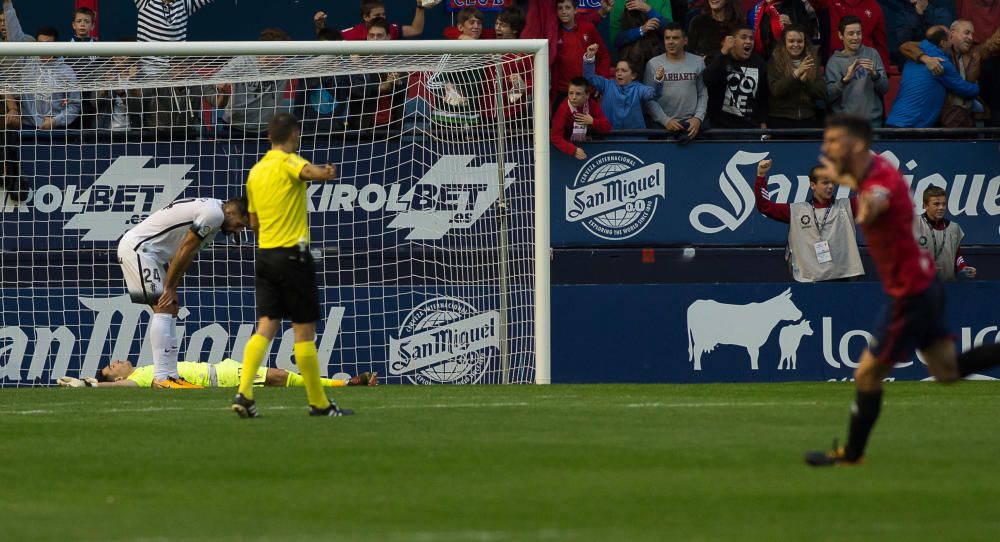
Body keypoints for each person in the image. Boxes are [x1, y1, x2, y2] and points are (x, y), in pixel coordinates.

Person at [804, 114, 1000, 466]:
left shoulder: (879, 180)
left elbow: (879, 197)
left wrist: (871, 206)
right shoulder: (872, 165)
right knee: (946, 371)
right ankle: (852, 453)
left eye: (834, 141)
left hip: (911, 293)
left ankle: (851, 454)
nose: (827, 148)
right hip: (923, 287)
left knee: (866, 373)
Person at [232, 112, 350, 419]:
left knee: (266, 325)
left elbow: (254, 223)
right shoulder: (289, 162)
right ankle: (318, 403)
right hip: (293, 257)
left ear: (268, 136)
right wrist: (325, 173)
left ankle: (244, 393)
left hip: (265, 256)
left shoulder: (255, 172)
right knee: (303, 332)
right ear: (294, 135)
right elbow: (306, 171)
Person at [117, 196, 249, 389]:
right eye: (239, 225)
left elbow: (190, 253)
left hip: (150, 255)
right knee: (164, 308)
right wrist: (169, 287)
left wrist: (173, 287)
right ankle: (162, 378)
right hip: (138, 249)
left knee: (171, 308)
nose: (238, 231)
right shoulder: (213, 214)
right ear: (230, 213)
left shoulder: (215, 215)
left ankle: (171, 376)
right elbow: (185, 248)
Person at [755, 158, 864, 282]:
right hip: (810, 281)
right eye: (825, 183)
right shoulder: (797, 211)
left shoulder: (846, 206)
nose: (830, 187)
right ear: (813, 185)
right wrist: (761, 176)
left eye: (833, 183)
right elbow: (765, 206)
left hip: (844, 278)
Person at [898, 20, 1000, 128]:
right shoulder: (938, 50)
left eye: (972, 34)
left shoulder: (974, 53)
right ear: (952, 33)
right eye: (966, 32)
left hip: (967, 113)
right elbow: (907, 46)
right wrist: (926, 58)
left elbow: (994, 43)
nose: (971, 38)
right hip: (942, 116)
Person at [886, 26, 980, 128]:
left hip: (893, 122)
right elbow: (967, 90)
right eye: (950, 39)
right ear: (943, 43)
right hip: (912, 127)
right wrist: (977, 85)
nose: (951, 43)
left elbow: (912, 45)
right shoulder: (941, 63)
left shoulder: (913, 58)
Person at [58, 359, 377, 388]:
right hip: (222, 378)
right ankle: (345, 384)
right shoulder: (141, 378)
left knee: (281, 377)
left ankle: (344, 383)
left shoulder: (146, 367)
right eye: (112, 368)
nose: (116, 361)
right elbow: (128, 387)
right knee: (280, 377)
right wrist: (92, 386)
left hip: (222, 370)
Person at [215, 28, 294, 136]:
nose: (284, 58)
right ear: (266, 52)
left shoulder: (287, 65)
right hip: (234, 127)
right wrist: (222, 85)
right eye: (280, 54)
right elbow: (218, 78)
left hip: (267, 129)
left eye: (285, 54)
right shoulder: (243, 61)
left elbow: (317, 63)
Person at [643, 23, 707, 143]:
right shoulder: (653, 64)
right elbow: (648, 98)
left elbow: (702, 93)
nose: (670, 42)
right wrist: (665, 120)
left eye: (675, 38)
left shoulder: (698, 62)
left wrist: (698, 118)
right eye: (667, 38)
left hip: (691, 125)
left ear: (685, 41)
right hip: (661, 127)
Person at [824, 15, 888, 127]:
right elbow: (827, 97)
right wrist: (844, 80)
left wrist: (875, 75)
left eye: (858, 33)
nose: (855, 37)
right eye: (851, 33)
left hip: (872, 124)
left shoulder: (872, 54)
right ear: (840, 35)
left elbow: (885, 88)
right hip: (846, 125)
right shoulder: (833, 62)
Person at [583, 42, 665, 129]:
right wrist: (590, 58)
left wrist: (658, 80)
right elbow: (589, 78)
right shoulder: (606, 84)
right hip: (609, 138)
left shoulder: (639, 89)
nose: (619, 73)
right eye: (617, 70)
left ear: (633, 75)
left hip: (635, 139)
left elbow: (654, 94)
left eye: (623, 70)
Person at [703, 25, 769, 129]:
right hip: (720, 127)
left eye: (751, 38)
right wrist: (723, 51)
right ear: (732, 40)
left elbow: (763, 95)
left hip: (750, 127)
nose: (748, 41)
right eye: (743, 37)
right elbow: (707, 80)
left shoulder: (759, 62)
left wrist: (763, 122)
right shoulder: (719, 58)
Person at [552, 0, 611, 105]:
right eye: (560, 8)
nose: (563, 11)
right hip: (562, 90)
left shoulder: (588, 28)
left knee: (587, 121)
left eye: (567, 8)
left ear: (575, 10)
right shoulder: (553, 31)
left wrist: (600, 82)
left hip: (585, 89)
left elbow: (604, 56)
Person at [767, 24, 826, 130]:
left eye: (799, 41)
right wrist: (796, 74)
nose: (796, 44)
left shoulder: (812, 61)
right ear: (784, 42)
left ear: (804, 42)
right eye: (791, 41)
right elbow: (776, 90)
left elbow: (822, 93)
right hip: (781, 119)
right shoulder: (774, 62)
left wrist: (806, 82)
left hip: (808, 118)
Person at [914, 185, 976, 282]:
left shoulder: (954, 228)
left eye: (944, 204)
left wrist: (963, 267)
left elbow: (957, 255)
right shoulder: (913, 225)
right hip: (920, 287)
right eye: (936, 204)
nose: (941, 207)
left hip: (948, 287)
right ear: (925, 205)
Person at [134, 0, 215, 73]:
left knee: (201, 84)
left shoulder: (184, 3)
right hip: (147, 71)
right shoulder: (145, 2)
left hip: (176, 73)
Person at [808, 0, 889, 68]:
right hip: (836, 65)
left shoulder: (874, 6)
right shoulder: (830, 2)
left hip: (865, 65)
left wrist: (884, 70)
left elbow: (880, 43)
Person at [551, 76, 612, 159]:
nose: (573, 97)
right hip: (567, 151)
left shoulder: (592, 104)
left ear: (587, 95)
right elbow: (555, 136)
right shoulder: (563, 108)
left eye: (578, 94)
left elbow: (607, 127)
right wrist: (573, 150)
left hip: (589, 147)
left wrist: (592, 122)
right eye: (571, 93)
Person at [329, 0, 430, 41]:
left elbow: (416, 29)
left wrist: (419, 7)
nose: (382, 17)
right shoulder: (355, 32)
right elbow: (328, 40)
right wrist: (319, 25)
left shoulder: (391, 28)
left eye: (383, 14)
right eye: (377, 15)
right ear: (366, 17)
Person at [614, 0, 671, 73]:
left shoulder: (662, 1)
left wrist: (649, 10)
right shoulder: (619, 2)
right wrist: (641, 30)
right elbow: (615, 39)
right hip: (631, 62)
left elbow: (670, 32)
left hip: (657, 58)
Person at [746, 0, 815, 59]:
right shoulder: (757, 10)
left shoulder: (795, 5)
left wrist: (792, 25)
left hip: (789, 60)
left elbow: (810, 32)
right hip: (764, 60)